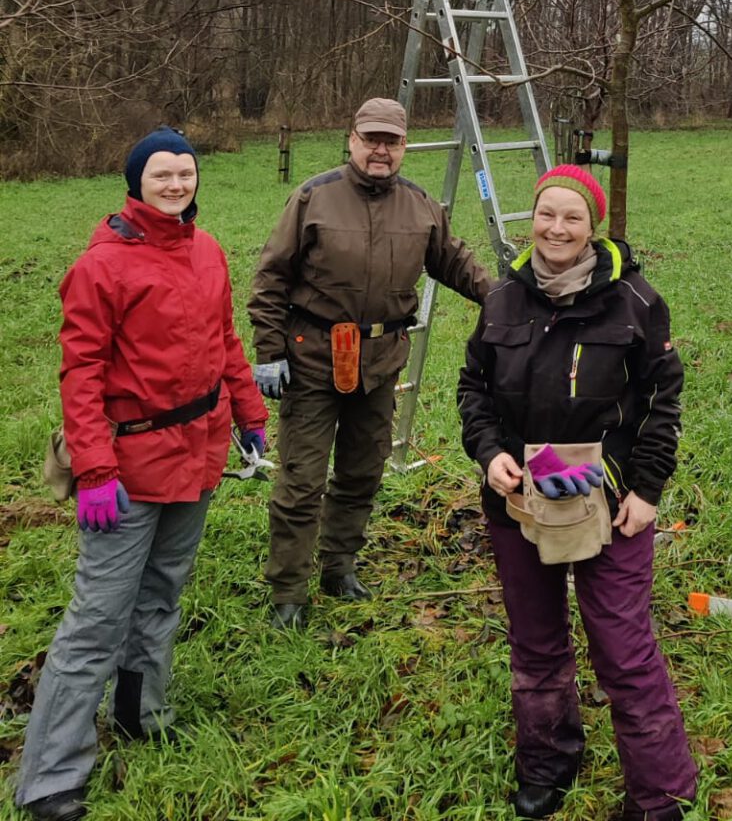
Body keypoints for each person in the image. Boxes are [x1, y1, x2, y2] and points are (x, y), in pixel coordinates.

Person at [15, 128, 267, 821]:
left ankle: (141, 713)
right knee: (97, 618)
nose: (177, 184)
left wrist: (248, 414)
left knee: (161, 595)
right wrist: (94, 470)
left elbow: (226, 342)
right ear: (136, 180)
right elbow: (81, 373)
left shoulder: (208, 249)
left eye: (185, 173)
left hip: (199, 452)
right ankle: (50, 777)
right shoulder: (102, 267)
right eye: (162, 174)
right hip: (127, 466)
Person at [457, 164, 697, 821]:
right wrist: (490, 453)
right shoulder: (503, 297)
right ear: (530, 220)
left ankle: (659, 796)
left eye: (572, 217)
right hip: (522, 499)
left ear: (594, 228)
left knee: (623, 651)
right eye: (546, 214)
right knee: (536, 644)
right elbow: (473, 388)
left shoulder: (634, 302)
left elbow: (661, 400)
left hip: (610, 497)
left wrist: (647, 489)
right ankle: (548, 761)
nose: (556, 228)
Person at [249, 96, 494, 628]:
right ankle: (289, 590)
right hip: (312, 359)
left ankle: (340, 566)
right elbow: (270, 278)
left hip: (379, 363)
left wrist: (507, 299)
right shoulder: (313, 197)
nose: (380, 150)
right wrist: (269, 352)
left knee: (361, 472)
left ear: (404, 146)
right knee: (301, 480)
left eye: (392, 141)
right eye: (371, 139)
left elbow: (456, 263)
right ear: (353, 140)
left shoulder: (422, 206)